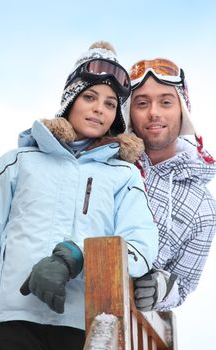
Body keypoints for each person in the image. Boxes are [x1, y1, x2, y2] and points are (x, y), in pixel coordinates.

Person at [0, 42, 159, 350]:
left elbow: (141, 246)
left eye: (110, 104)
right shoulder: (18, 162)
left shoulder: (124, 176)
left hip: (83, 324)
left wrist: (76, 259)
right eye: (89, 97)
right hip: (8, 322)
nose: (98, 109)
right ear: (70, 101)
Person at [125, 57, 216, 312]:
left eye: (166, 102)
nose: (154, 112)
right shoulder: (110, 160)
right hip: (65, 302)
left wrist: (162, 286)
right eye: (142, 103)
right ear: (129, 112)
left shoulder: (203, 208)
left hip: (120, 324)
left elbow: (184, 284)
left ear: (182, 111)